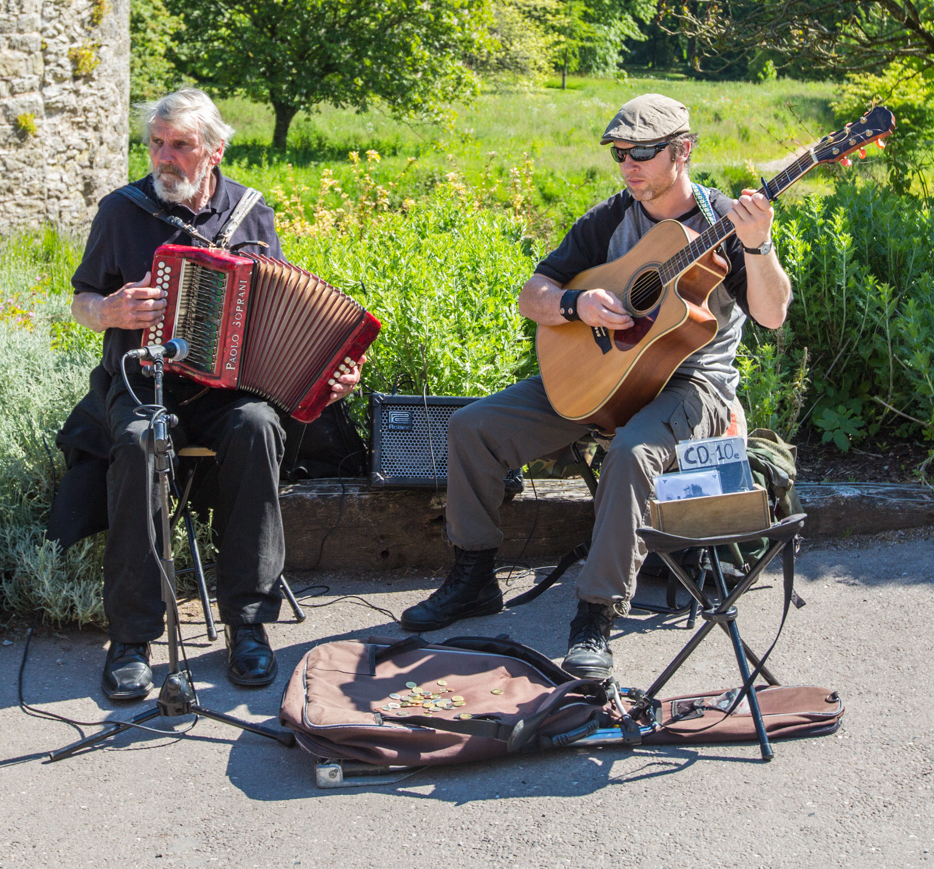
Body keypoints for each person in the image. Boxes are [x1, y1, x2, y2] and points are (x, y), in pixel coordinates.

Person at [397, 93, 792, 679]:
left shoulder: (729, 225)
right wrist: (578, 305)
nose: (630, 165)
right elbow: (534, 297)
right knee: (473, 428)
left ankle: (597, 614)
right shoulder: (610, 219)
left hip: (691, 386)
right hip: (605, 376)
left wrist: (758, 245)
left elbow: (772, 314)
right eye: (621, 154)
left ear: (683, 151)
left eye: (643, 153)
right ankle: (473, 578)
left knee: (633, 452)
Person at [62, 89, 359, 702]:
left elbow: (281, 315)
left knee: (258, 427)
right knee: (142, 440)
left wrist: (328, 373)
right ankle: (132, 638)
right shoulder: (120, 211)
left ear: (215, 151)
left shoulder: (250, 212)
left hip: (226, 391)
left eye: (181, 145)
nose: (165, 158)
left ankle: (248, 625)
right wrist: (111, 309)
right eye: (156, 144)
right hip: (143, 380)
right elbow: (82, 301)